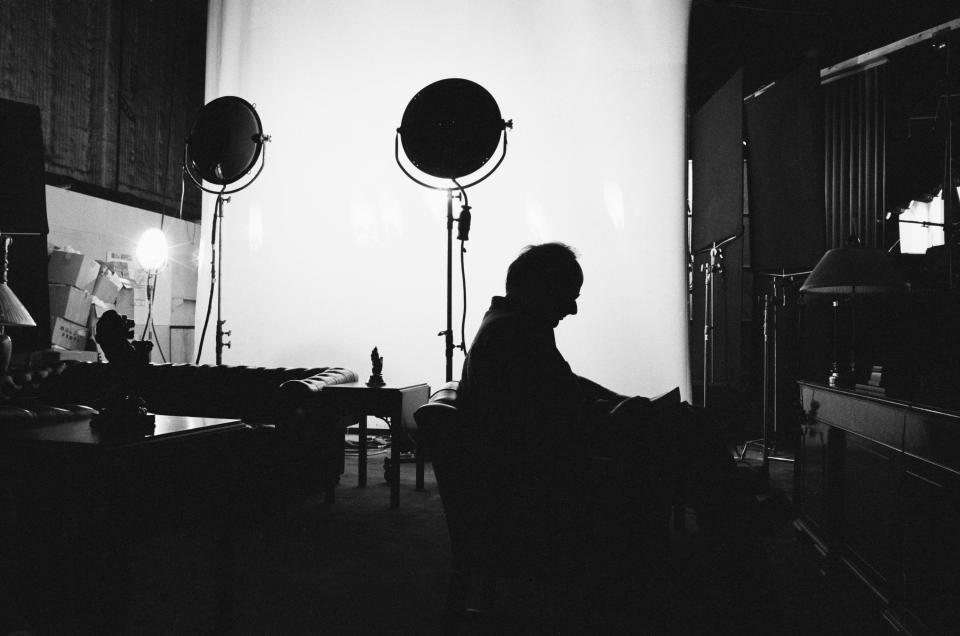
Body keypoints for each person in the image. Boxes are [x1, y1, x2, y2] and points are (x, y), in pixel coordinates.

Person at [457, 243, 741, 552]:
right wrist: (619, 414)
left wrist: (618, 402)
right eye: (569, 295)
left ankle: (730, 518)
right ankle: (732, 528)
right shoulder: (515, 337)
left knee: (685, 428)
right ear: (542, 288)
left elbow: (563, 391)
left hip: (533, 474)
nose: (572, 309)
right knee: (689, 427)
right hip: (545, 486)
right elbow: (562, 429)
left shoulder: (508, 328)